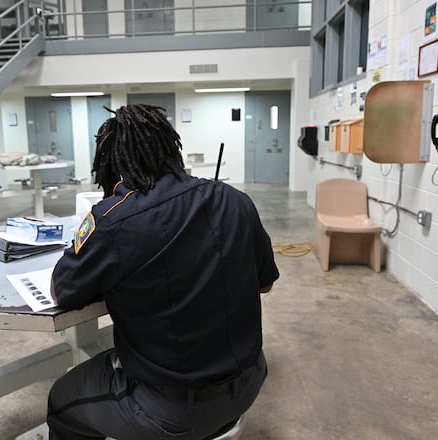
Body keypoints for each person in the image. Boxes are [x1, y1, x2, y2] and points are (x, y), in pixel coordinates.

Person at [48, 104, 279, 440]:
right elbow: (264, 284)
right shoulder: (236, 201)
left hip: (172, 410)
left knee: (61, 399)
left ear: (113, 165)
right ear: (173, 150)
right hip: (250, 380)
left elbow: (63, 290)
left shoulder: (114, 221)